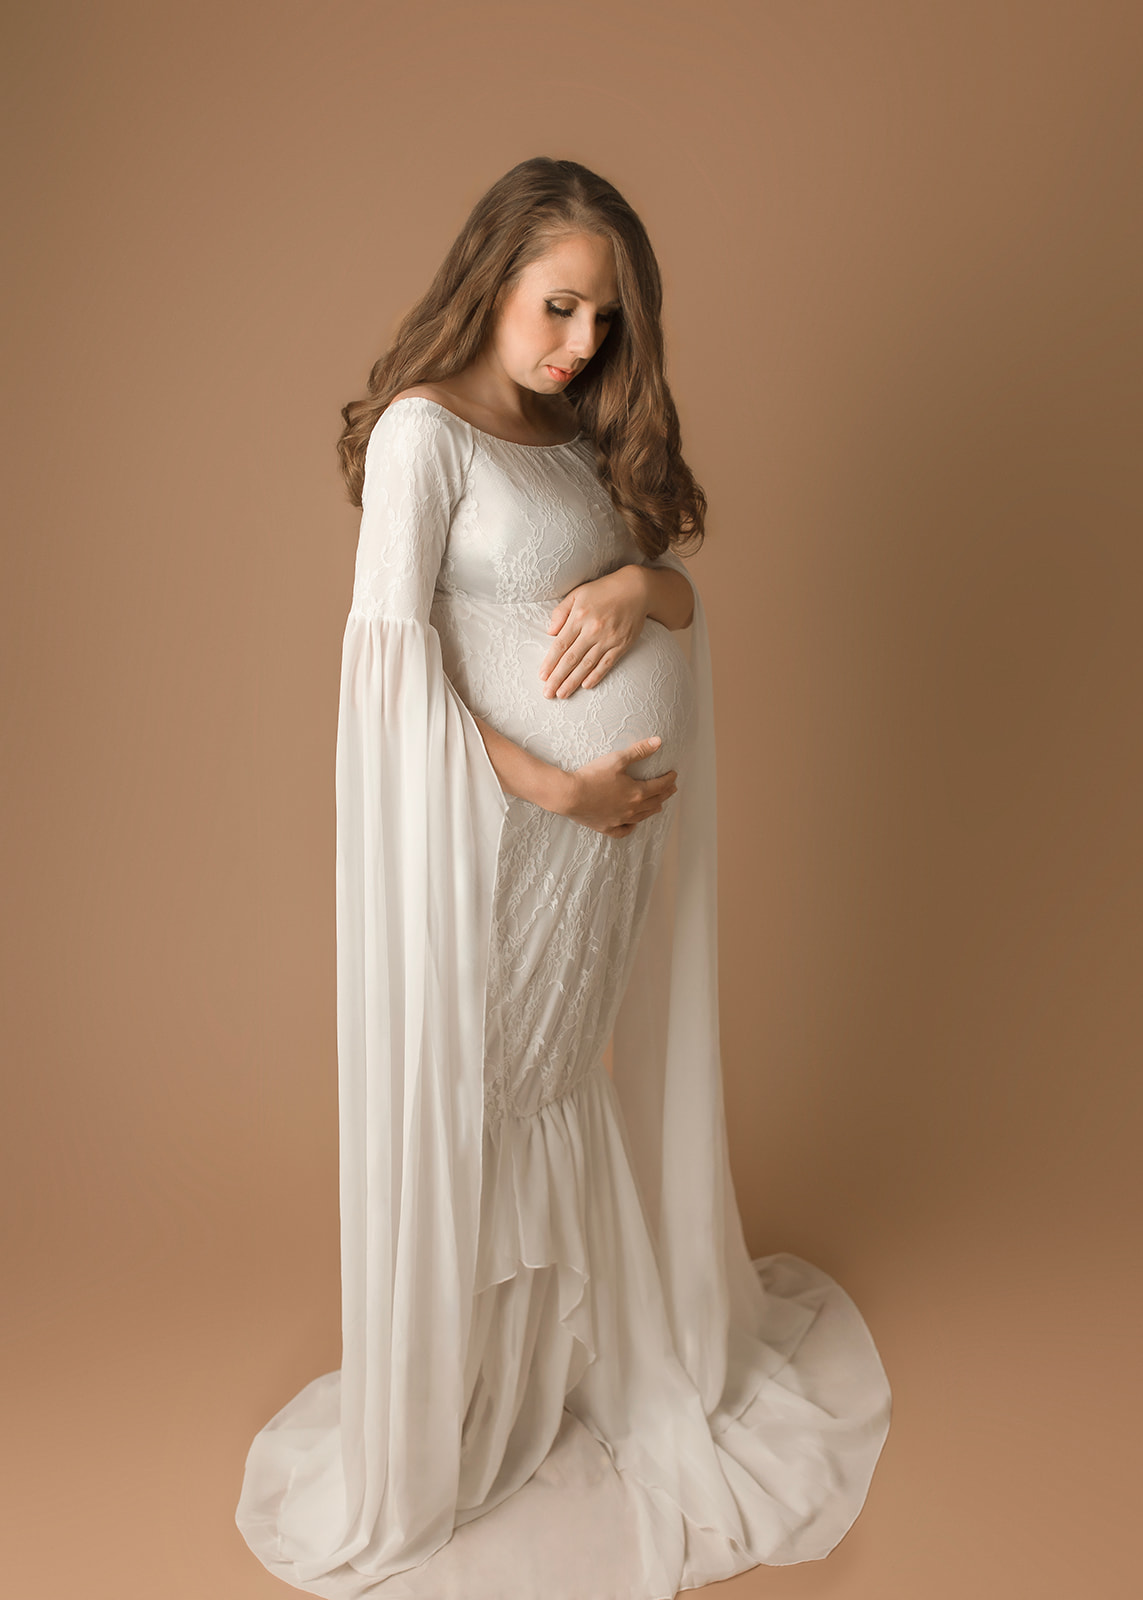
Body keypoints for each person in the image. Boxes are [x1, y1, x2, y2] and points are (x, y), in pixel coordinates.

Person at [235, 156, 892, 1600]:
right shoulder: (425, 440)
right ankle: (471, 1406)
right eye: (561, 307)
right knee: (495, 1097)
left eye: (605, 320)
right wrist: (557, 786)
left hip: (601, 856)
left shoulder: (566, 438)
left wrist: (622, 589)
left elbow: (678, 592)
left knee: (547, 1094)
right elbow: (391, 674)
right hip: (516, 849)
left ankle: (550, 1368)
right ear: (490, 278)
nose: (583, 344)